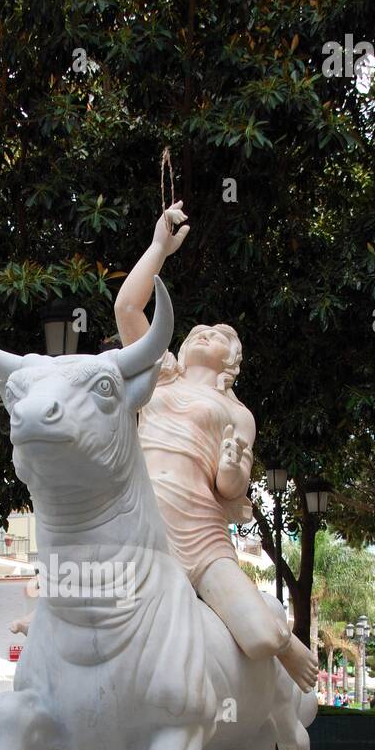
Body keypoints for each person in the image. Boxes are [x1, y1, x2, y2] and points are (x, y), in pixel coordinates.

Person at [114, 204, 319, 691]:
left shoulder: (238, 413)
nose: (207, 332)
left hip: (201, 532)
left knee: (260, 639)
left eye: (222, 336)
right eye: (199, 332)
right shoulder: (160, 373)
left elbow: (232, 486)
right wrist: (160, 247)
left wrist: (230, 467)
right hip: (141, 519)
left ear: (233, 363)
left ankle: (286, 642)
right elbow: (127, 308)